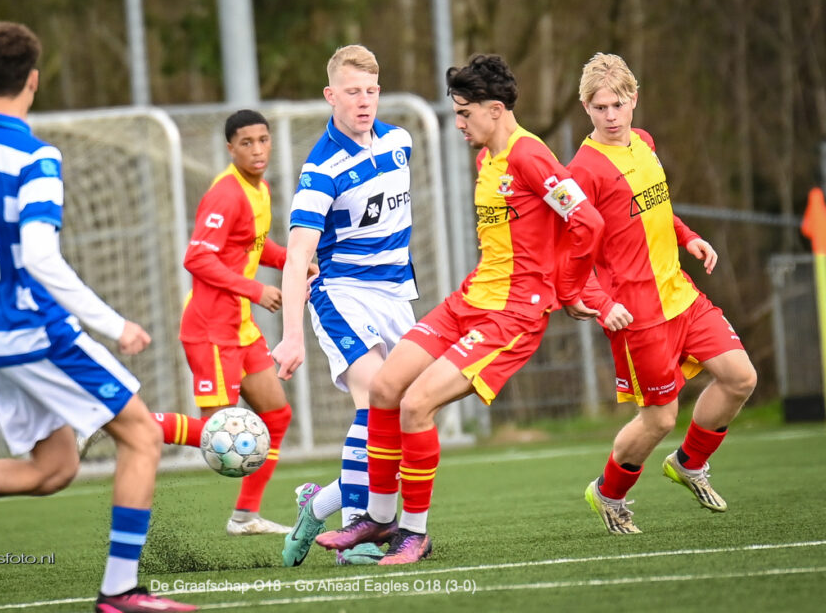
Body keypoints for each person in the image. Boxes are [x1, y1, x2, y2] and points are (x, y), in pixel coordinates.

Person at [0, 22, 194, 613]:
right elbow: (40, 257)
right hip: (41, 334)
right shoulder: (35, 157)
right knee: (142, 438)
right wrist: (113, 323)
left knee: (53, 468)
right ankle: (120, 591)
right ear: (34, 81)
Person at [316, 53, 604, 564]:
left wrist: (568, 289)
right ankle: (378, 519)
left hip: (512, 315)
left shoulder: (529, 157)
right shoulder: (487, 157)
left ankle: (415, 533)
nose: (458, 123)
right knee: (384, 387)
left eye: (464, 113)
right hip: (470, 300)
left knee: (415, 405)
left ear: (494, 110)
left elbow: (588, 223)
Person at [564, 53, 757, 534]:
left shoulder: (645, 143)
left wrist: (688, 237)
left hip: (681, 294)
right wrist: (601, 303)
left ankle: (689, 464)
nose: (610, 115)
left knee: (740, 377)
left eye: (618, 104)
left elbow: (655, 208)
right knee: (659, 418)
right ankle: (609, 493)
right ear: (585, 107)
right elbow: (568, 247)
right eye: (600, 106)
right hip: (637, 313)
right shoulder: (581, 172)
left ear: (635, 100)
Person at [273, 44, 418, 567]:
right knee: (376, 398)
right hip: (343, 295)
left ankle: (323, 504)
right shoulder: (321, 171)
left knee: (403, 415)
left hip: (397, 295)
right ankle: (354, 529)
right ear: (331, 95)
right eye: (352, 92)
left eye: (372, 91)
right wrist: (291, 337)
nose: (364, 102)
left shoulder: (400, 141)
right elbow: (296, 259)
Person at [149, 109, 301, 536]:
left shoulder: (260, 189)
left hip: (241, 327)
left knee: (277, 416)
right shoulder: (226, 194)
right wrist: (255, 290)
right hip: (210, 329)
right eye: (247, 142)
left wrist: (296, 262)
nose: (257, 149)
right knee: (220, 436)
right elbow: (196, 258)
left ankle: (245, 517)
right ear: (230, 148)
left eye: (263, 140)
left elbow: (255, 245)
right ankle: (131, 422)